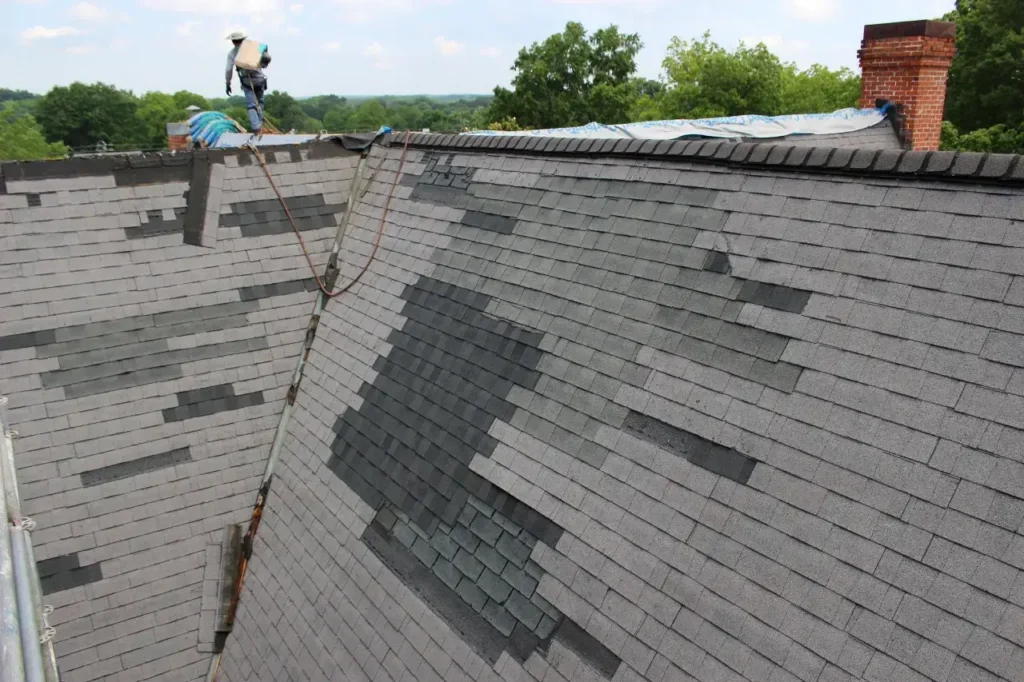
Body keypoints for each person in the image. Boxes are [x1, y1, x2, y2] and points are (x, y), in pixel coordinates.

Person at [225, 30, 271, 136]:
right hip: (260, 79)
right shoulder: (253, 47)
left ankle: (256, 128)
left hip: (247, 81)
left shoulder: (232, 53)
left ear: (233, 41)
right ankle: (260, 125)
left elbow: (228, 69)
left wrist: (228, 83)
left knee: (251, 105)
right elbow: (265, 56)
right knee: (260, 103)